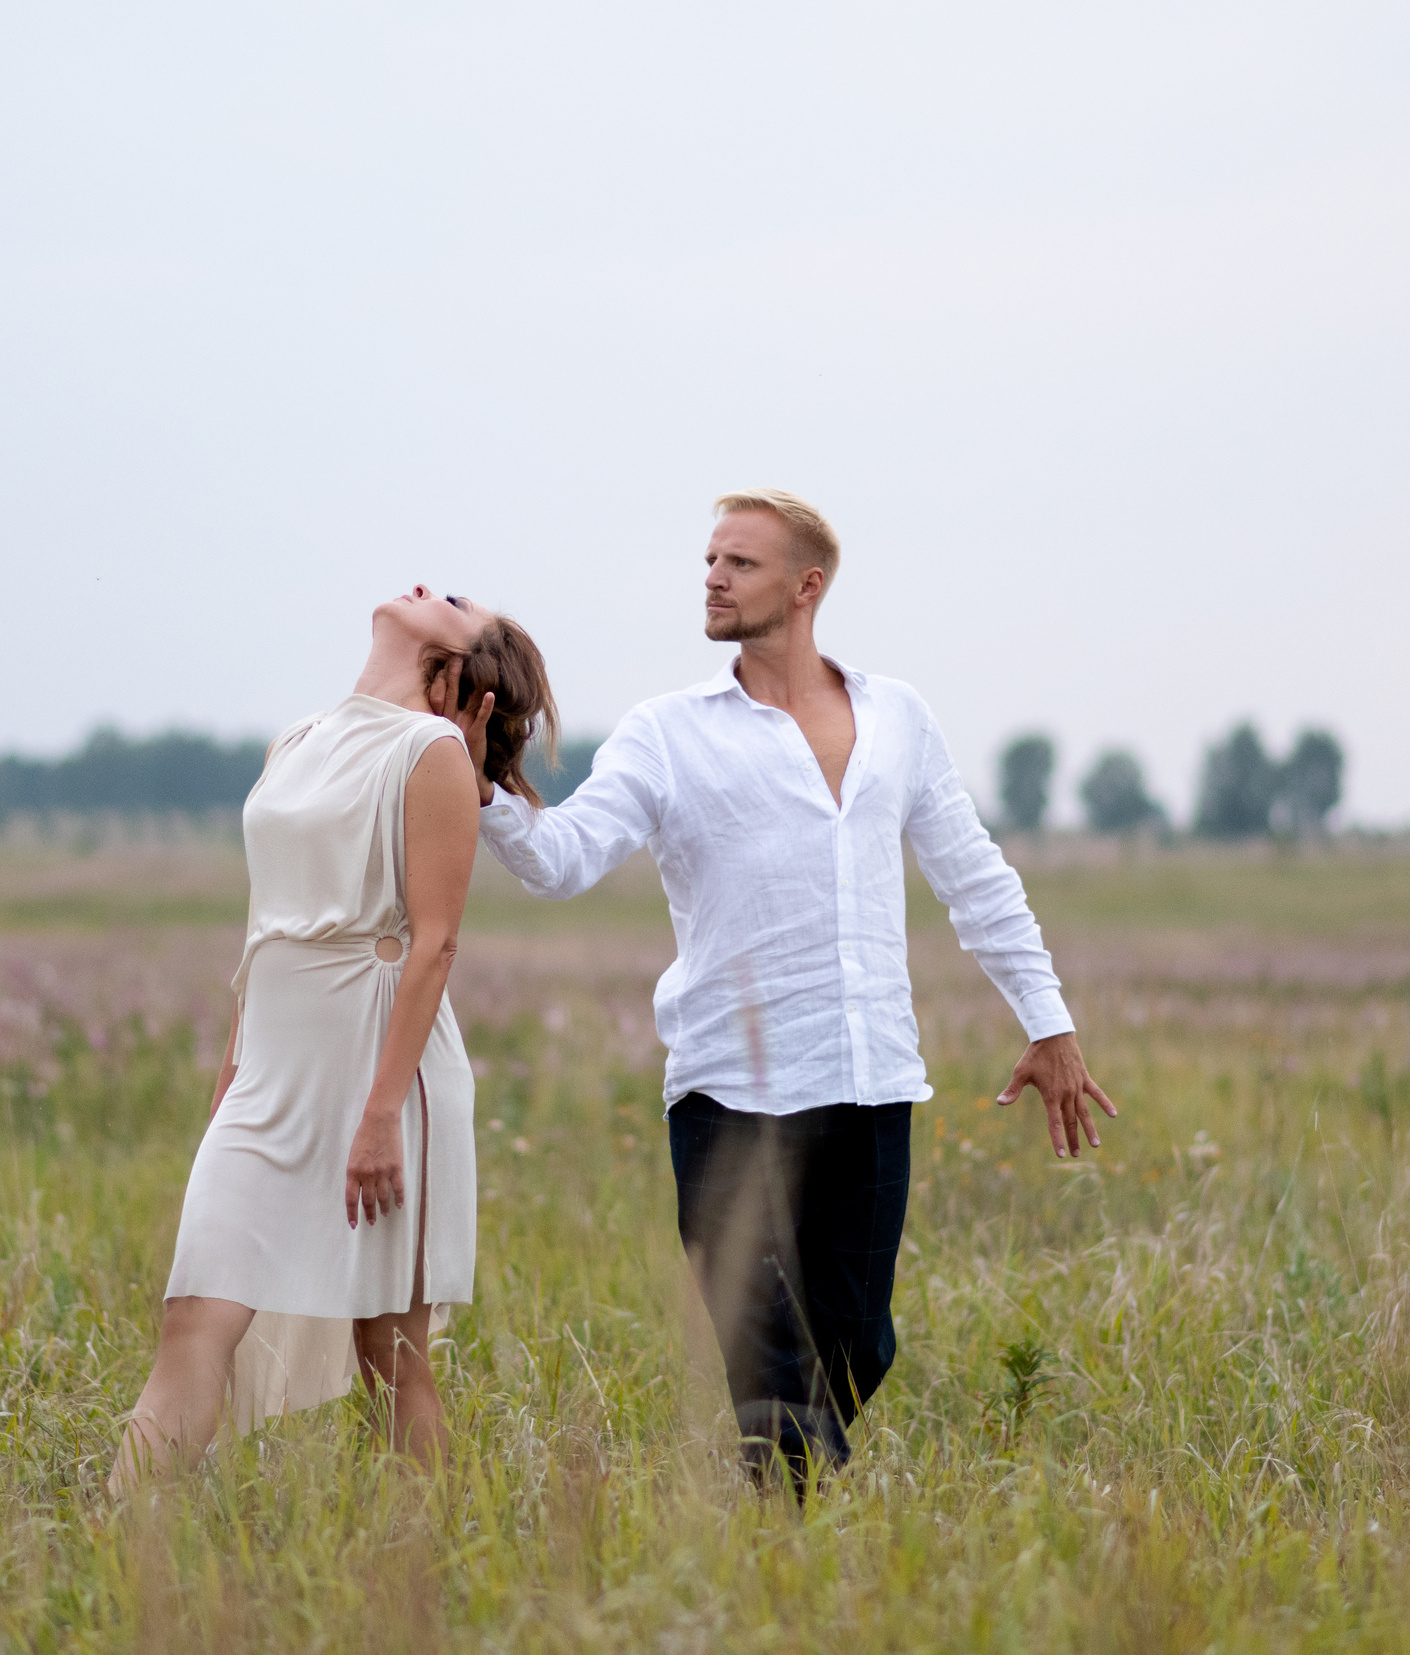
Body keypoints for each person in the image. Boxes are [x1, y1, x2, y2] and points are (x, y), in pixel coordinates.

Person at [465, 489, 1117, 1490]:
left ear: (806, 588)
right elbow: (561, 860)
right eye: (711, 560)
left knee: (861, 1347)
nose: (714, 579)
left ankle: (776, 1503)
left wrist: (1050, 1024)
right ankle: (781, 1550)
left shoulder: (897, 716)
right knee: (759, 1352)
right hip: (728, 1088)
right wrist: (481, 775)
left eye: (741, 564)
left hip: (868, 1081)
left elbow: (974, 879)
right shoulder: (666, 732)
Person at [110, 587, 558, 1491]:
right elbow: (263, 927)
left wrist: (381, 1114)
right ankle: (121, 1540)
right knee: (195, 1311)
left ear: (464, 667)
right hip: (272, 1069)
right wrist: (234, 1069)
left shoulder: (429, 749)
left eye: (460, 598)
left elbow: (435, 942)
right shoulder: (299, 741)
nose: (432, 587)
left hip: (381, 1068)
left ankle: (439, 1553)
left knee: (388, 1344)